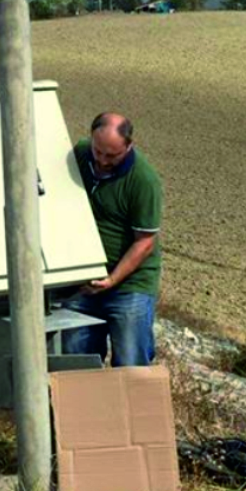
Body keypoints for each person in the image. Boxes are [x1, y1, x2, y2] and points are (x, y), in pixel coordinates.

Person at [63, 112, 165, 368]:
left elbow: (144, 242)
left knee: (131, 360)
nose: (103, 160)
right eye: (98, 152)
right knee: (74, 356)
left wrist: (111, 280)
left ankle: (132, 408)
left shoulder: (143, 180)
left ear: (129, 146)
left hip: (129, 285)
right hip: (84, 281)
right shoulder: (80, 154)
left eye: (112, 156)